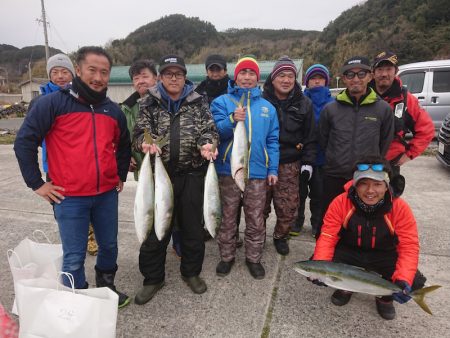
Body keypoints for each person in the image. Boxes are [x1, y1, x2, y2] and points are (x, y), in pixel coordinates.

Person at [14, 46, 132, 308]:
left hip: (105, 195)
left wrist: (120, 174)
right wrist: (37, 183)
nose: (98, 77)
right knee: (74, 256)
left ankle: (106, 287)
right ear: (78, 70)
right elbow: (24, 142)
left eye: (104, 72)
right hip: (69, 197)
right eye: (92, 70)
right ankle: (76, 299)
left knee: (109, 247)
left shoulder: (113, 111)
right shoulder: (52, 104)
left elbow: (123, 145)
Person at [132, 54, 218, 305]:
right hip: (159, 177)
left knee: (192, 229)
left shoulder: (199, 102)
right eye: (168, 73)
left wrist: (207, 144)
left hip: (192, 175)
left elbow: (210, 131)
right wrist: (145, 143)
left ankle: (191, 273)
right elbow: (138, 133)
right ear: (160, 77)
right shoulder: (148, 102)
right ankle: (152, 278)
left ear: (184, 76)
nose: (173, 78)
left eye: (178, 73)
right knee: (153, 228)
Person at [310, 156, 426, 320]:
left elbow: (409, 246)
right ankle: (345, 286)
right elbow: (328, 236)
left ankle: (384, 297)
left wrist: (403, 278)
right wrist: (320, 265)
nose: (370, 190)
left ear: (386, 186)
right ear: (355, 185)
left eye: (377, 184)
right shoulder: (340, 202)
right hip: (349, 250)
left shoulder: (400, 208)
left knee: (413, 281)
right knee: (315, 262)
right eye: (363, 183)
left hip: (384, 254)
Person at [211, 55, 279, 279]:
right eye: (243, 73)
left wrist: (273, 170)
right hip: (228, 172)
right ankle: (227, 256)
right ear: (236, 76)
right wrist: (232, 119)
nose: (247, 77)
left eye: (251, 73)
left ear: (257, 78)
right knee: (228, 217)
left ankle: (253, 258)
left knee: (256, 218)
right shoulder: (221, 102)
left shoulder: (267, 107)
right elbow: (215, 132)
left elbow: (273, 141)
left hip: (258, 173)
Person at [318, 56, 394, 236]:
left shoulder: (383, 109)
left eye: (361, 73)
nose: (356, 79)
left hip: (365, 176)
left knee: (362, 219)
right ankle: (324, 255)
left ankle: (355, 253)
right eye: (350, 74)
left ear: (370, 76)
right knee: (330, 218)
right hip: (334, 175)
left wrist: (371, 165)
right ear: (344, 79)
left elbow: (385, 142)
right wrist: (333, 159)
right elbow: (323, 139)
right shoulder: (330, 109)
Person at [262, 56, 316, 255]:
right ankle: (258, 236)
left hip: (290, 162)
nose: (286, 80)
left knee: (288, 206)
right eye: (281, 75)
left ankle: (280, 236)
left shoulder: (304, 103)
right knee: (260, 205)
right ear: (273, 78)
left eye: (290, 76)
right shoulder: (261, 101)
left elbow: (311, 136)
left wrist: (308, 163)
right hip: (264, 162)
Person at [196, 54, 244, 246]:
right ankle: (209, 225)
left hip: (228, 153)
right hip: (205, 149)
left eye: (219, 69)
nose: (215, 72)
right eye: (211, 69)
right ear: (207, 71)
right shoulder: (198, 92)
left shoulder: (234, 92)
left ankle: (233, 231)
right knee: (208, 193)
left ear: (225, 71)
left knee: (233, 197)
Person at [369, 51, 434, 179]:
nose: (384, 74)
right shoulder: (363, 95)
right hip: (362, 163)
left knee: (389, 198)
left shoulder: (406, 100)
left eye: (389, 69)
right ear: (373, 72)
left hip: (390, 164)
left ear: (396, 71)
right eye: (380, 69)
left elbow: (427, 130)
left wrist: (409, 154)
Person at [293, 64, 334, 238]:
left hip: (323, 159)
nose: (317, 81)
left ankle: (317, 223)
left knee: (319, 194)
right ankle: (296, 222)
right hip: (301, 157)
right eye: (312, 78)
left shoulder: (334, 104)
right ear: (307, 82)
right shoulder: (300, 101)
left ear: (326, 81)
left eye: (320, 78)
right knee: (298, 194)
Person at [121, 59, 158, 181]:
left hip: (166, 172)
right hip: (142, 172)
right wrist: (127, 156)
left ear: (156, 78)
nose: (140, 81)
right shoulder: (126, 109)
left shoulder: (166, 101)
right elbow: (124, 138)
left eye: (145, 76)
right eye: (136, 78)